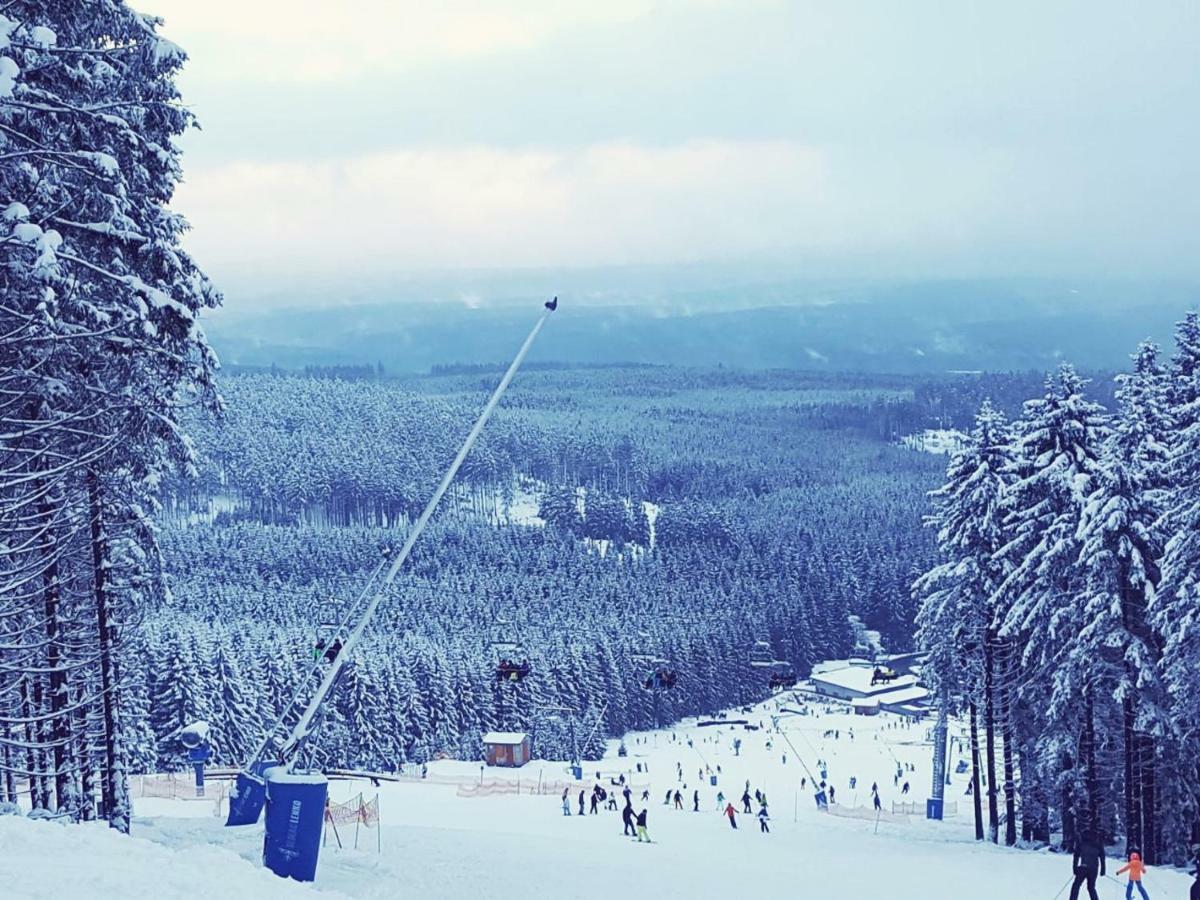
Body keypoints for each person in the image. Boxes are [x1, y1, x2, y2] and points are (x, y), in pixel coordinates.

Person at [1069, 831, 1105, 900]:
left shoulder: (1082, 843)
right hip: (1094, 869)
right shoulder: (1098, 843)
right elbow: (1102, 856)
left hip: (1083, 867)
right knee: (1091, 887)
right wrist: (1103, 869)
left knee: (1076, 886)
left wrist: (1075, 867)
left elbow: (1076, 855)